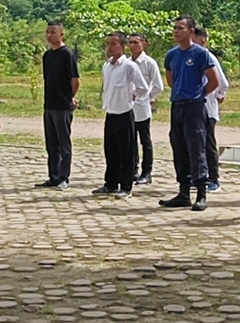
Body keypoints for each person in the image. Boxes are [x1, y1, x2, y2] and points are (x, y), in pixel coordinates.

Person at [160, 16, 221, 212]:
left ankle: (201, 193)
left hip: (195, 106)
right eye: (175, 28)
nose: (176, 31)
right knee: (179, 148)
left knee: (197, 148)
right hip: (177, 105)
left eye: (181, 28)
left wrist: (198, 94)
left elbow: (214, 81)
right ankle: (183, 192)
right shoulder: (171, 55)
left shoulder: (201, 54)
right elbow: (171, 80)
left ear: (191, 31)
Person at [93, 32, 149, 198]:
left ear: (122, 47)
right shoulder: (107, 66)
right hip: (111, 112)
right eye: (108, 43)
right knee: (111, 150)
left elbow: (143, 87)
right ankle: (111, 183)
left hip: (124, 113)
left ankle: (126, 186)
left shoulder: (129, 66)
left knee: (127, 151)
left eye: (113, 44)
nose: (110, 47)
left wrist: (132, 95)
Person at [37, 21, 80, 190]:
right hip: (49, 105)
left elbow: (75, 81)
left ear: (61, 34)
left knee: (63, 143)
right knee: (51, 143)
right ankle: (53, 176)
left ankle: (64, 177)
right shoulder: (47, 56)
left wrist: (69, 97)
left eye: (53, 32)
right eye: (47, 32)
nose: (49, 35)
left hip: (63, 106)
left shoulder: (67, 54)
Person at [193, 27, 229, 193]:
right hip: (193, 108)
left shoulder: (208, 57)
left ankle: (213, 178)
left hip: (207, 107)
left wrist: (218, 94)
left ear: (203, 41)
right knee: (195, 144)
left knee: (208, 144)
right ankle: (200, 176)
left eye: (195, 41)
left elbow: (222, 82)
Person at [128, 33, 164, 185]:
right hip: (128, 106)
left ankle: (147, 172)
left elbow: (158, 85)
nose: (133, 45)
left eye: (136, 42)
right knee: (131, 141)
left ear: (144, 44)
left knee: (145, 140)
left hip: (142, 106)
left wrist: (147, 97)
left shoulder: (149, 63)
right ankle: (132, 170)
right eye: (130, 42)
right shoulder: (127, 62)